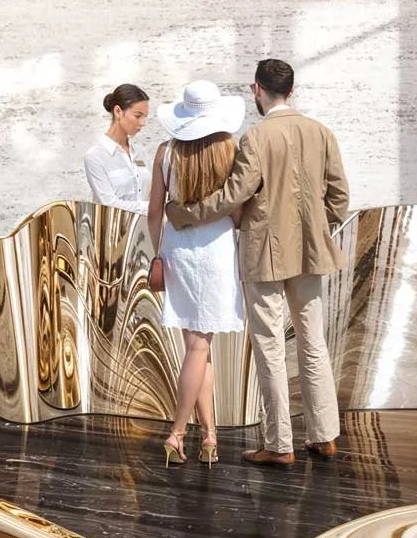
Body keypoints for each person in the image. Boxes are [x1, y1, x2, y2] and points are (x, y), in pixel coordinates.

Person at [168, 58, 351, 466]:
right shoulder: (322, 132)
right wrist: (320, 229)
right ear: (291, 89)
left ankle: (279, 444)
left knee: (269, 347)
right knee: (313, 343)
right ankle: (324, 437)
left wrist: (185, 213)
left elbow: (234, 195)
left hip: (264, 255)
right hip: (311, 253)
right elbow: (339, 196)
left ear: (257, 90)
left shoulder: (255, 138)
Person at [143, 79, 245, 465]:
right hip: (217, 250)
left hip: (178, 250)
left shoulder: (165, 152)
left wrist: (159, 249)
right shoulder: (229, 150)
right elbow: (236, 212)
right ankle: (177, 433)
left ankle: (210, 435)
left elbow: (154, 210)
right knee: (201, 346)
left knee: (198, 348)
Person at [84, 83, 152, 211]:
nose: (143, 123)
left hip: (144, 230)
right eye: (138, 116)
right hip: (113, 229)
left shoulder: (141, 153)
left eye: (145, 117)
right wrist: (151, 207)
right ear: (118, 111)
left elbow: (152, 194)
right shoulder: (95, 157)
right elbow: (109, 205)